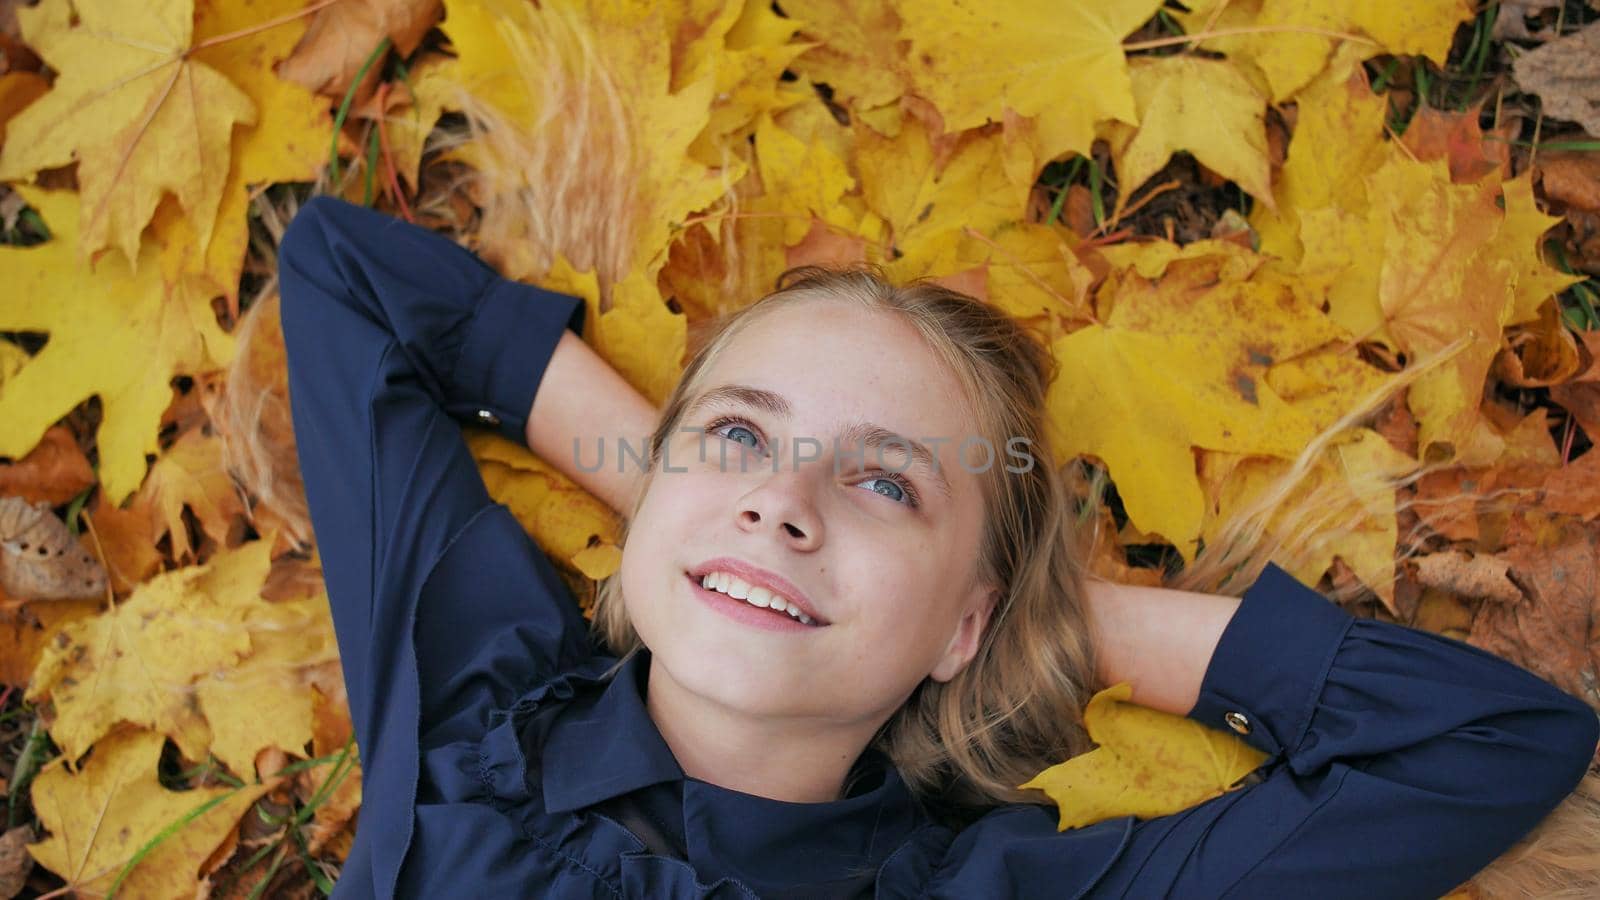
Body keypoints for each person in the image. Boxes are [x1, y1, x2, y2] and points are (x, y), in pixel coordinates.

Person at [276, 195, 1599, 899]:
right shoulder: (469, 692)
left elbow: (1494, 746)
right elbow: (343, 273)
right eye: (739, 436)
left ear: (965, 624)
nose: (785, 502)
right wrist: (684, 502)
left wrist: (1055, 619)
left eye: (884, 485)